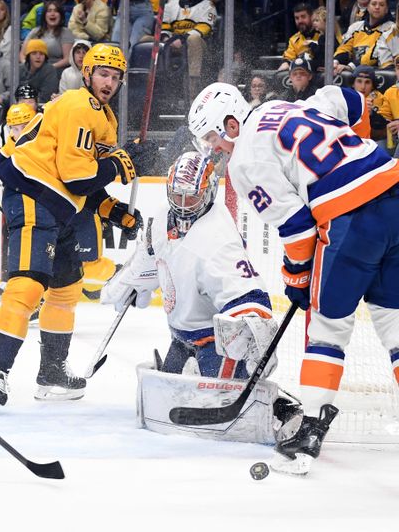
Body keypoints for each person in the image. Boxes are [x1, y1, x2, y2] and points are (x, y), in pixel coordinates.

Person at [188, 81, 399, 473]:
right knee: (395, 322)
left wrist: (296, 279)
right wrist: (359, 153)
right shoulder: (286, 105)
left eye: (214, 137)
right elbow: (351, 100)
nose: (215, 148)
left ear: (232, 124)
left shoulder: (243, 161)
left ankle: (309, 434)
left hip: (351, 219)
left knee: (326, 329)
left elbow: (299, 229)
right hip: (394, 186)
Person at [0, 44, 142, 414]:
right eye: (103, 74)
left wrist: (113, 210)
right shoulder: (79, 106)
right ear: (88, 73)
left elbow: (82, 184)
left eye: (116, 77)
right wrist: (117, 166)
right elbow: (79, 179)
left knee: (64, 290)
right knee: (28, 285)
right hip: (31, 193)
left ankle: (51, 374)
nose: (109, 82)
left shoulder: (102, 117)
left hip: (57, 203)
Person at [99, 151, 292, 445]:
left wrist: (252, 327)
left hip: (214, 342)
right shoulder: (162, 216)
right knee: (166, 410)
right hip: (180, 335)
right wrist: (131, 281)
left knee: (216, 412)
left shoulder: (217, 240)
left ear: (208, 192)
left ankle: (282, 406)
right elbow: (153, 255)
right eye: (177, 196)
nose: (184, 205)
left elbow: (248, 296)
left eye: (192, 198)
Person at [161, 0, 217, 98]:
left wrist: (182, 40)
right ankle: (153, 91)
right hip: (173, 43)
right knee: (145, 40)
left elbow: (205, 27)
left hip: (199, 46)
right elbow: (164, 25)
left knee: (193, 39)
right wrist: (166, 38)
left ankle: (193, 87)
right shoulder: (171, 4)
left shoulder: (208, 5)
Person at [333, 0, 394, 74]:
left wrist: (350, 67)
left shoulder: (391, 28)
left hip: (380, 72)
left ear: (386, 9)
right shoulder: (355, 27)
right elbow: (344, 48)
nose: (377, 7)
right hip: (356, 72)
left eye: (381, 5)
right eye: (374, 4)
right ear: (367, 7)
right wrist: (336, 62)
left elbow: (373, 55)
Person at [21, 0, 75, 73]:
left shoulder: (65, 32)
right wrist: (28, 66)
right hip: (33, 70)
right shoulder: (35, 31)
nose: (52, 14)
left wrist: (48, 68)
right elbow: (22, 54)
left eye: (56, 11)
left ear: (61, 15)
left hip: (55, 71)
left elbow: (68, 59)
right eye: (49, 11)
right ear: (44, 15)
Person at [277, 3, 320, 72]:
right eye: (297, 18)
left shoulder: (324, 34)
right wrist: (284, 65)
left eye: (303, 17)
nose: (300, 21)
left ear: (312, 17)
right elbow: (288, 60)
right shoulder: (293, 39)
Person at [19, 39, 59, 104]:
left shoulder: (50, 70)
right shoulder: (20, 69)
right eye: (34, 53)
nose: (38, 57)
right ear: (28, 56)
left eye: (41, 54)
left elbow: (47, 96)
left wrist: (29, 103)